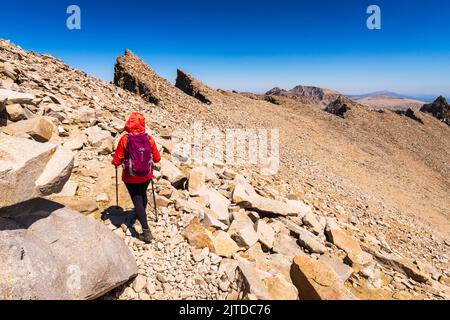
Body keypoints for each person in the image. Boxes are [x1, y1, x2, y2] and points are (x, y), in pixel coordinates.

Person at [112, 112, 161, 244]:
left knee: (136, 199)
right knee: (142, 194)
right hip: (146, 174)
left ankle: (146, 231)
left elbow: (118, 158)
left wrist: (115, 163)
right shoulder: (149, 139)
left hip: (130, 176)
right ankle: (141, 214)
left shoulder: (125, 139)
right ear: (142, 123)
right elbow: (157, 158)